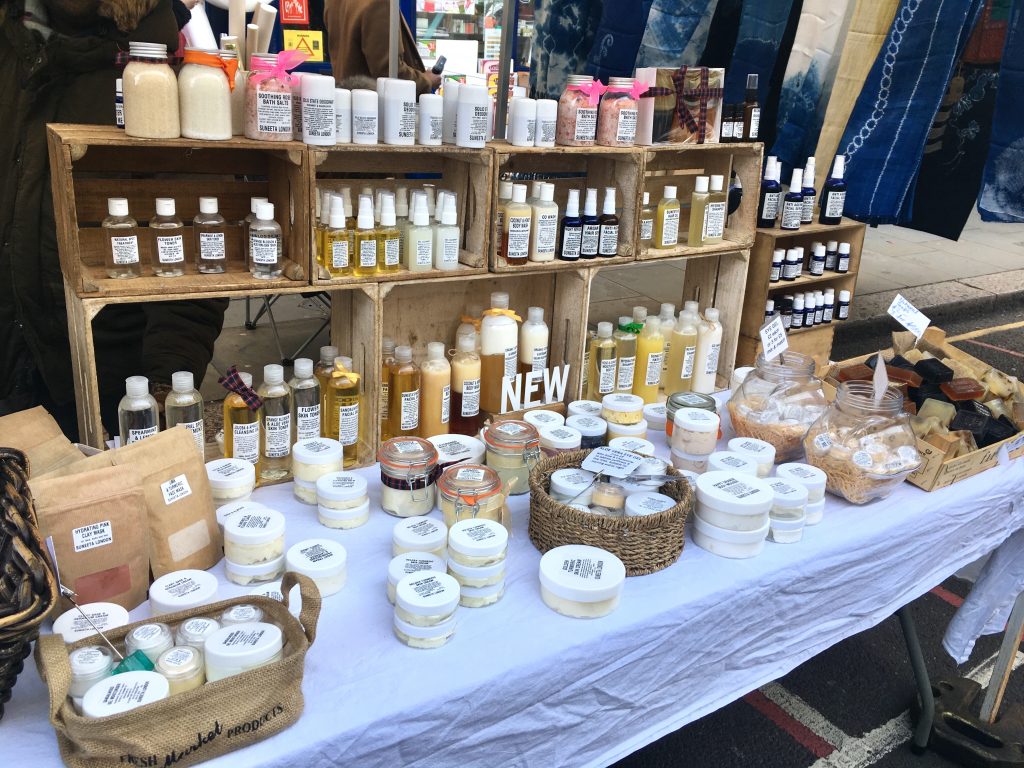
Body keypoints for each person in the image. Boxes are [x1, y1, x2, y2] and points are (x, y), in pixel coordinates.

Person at [0, 0, 228, 441]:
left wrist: (164, 387)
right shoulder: (11, 46)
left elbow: (196, 253)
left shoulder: (160, 69)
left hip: (107, 382)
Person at [324, 0, 441, 95]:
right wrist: (427, 81)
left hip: (347, 101)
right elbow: (389, 73)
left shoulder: (333, 2)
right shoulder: (380, 3)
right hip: (374, 107)